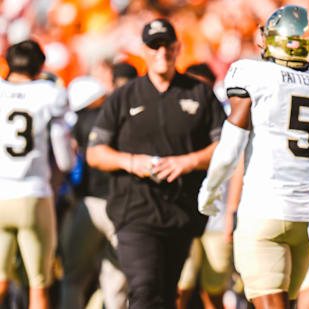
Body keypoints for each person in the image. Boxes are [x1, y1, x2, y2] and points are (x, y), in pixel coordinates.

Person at [197, 5, 309, 309]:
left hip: (263, 211)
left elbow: (230, 148)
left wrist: (209, 191)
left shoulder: (254, 73)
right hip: (308, 216)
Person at [86, 18, 226, 309]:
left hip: (181, 212)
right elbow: (95, 152)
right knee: (145, 289)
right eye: (154, 46)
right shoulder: (124, 96)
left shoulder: (198, 92)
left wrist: (189, 162)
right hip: (134, 210)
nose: (162, 53)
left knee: (165, 292)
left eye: (167, 46)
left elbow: (226, 147)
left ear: (178, 47)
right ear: (144, 51)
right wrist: (130, 161)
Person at [0, 39, 75, 309]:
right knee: (39, 284)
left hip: (0, 194)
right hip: (33, 194)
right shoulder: (48, 93)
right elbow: (65, 160)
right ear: (40, 66)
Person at [60, 76, 128, 309]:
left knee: (73, 278)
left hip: (86, 204)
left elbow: (67, 163)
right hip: (119, 205)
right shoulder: (120, 116)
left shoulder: (78, 121)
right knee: (116, 281)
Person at [176, 63, 232, 309]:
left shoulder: (228, 117)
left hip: (217, 216)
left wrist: (231, 211)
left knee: (214, 292)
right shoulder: (173, 117)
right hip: (182, 214)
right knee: (180, 288)